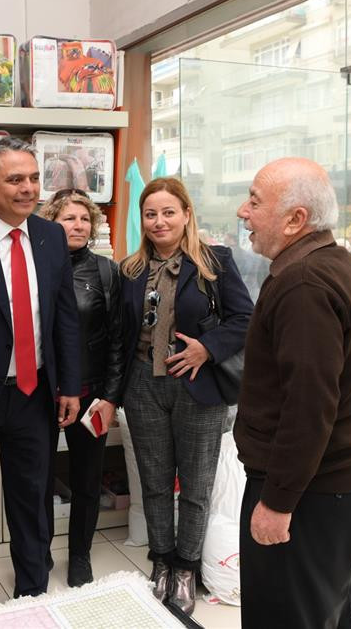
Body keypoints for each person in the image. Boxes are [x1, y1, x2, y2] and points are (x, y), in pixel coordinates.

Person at [234, 157, 351, 628]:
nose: (243, 212)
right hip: (341, 480)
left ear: (295, 219)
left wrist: (277, 503)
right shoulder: (336, 263)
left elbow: (308, 408)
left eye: (256, 202)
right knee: (327, 613)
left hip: (310, 493)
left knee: (288, 616)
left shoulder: (304, 283)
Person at [103, 177, 252, 614]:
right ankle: (162, 563)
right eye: (151, 214)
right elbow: (119, 337)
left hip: (199, 387)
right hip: (144, 386)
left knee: (195, 484)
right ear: (142, 219)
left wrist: (208, 348)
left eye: (169, 212)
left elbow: (246, 318)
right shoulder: (129, 270)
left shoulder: (214, 262)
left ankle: (186, 568)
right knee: (152, 481)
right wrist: (114, 394)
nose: (159, 221)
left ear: (186, 214)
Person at [0, 137, 82, 600]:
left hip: (34, 391)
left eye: (34, 178)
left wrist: (69, 383)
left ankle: (33, 588)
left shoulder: (50, 236)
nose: (29, 189)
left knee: (32, 496)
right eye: (15, 179)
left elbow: (64, 316)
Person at [37, 188, 124, 587]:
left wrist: (110, 397)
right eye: (69, 218)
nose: (78, 225)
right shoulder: (36, 266)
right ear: (50, 223)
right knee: (36, 478)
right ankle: (38, 553)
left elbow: (118, 340)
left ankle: (80, 556)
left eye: (85, 219)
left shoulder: (106, 272)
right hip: (39, 393)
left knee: (87, 478)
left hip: (90, 395)